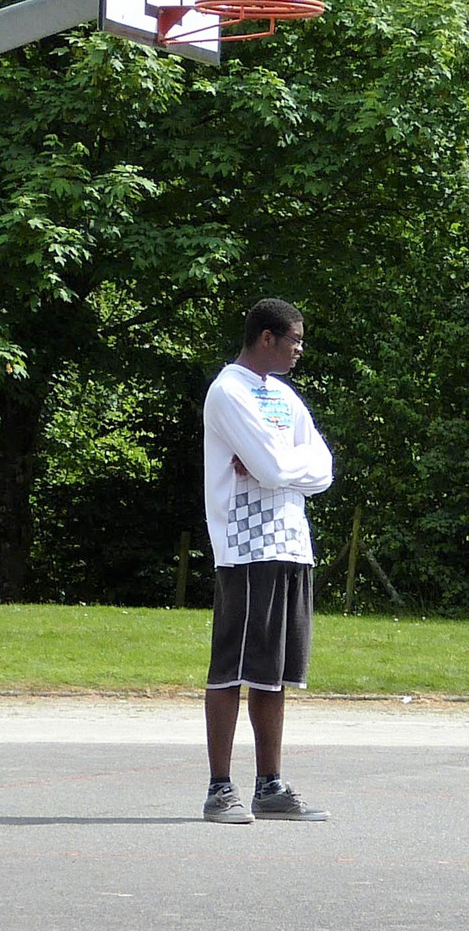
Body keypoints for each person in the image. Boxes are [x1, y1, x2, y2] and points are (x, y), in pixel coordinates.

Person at [199, 298, 334, 824]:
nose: (300, 350)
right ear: (266, 338)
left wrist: (278, 466)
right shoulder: (228, 391)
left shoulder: (283, 396)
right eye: (294, 340)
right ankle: (219, 789)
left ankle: (270, 787)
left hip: (291, 542)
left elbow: (320, 468)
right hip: (246, 545)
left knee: (273, 674)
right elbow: (275, 467)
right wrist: (276, 467)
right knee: (233, 668)